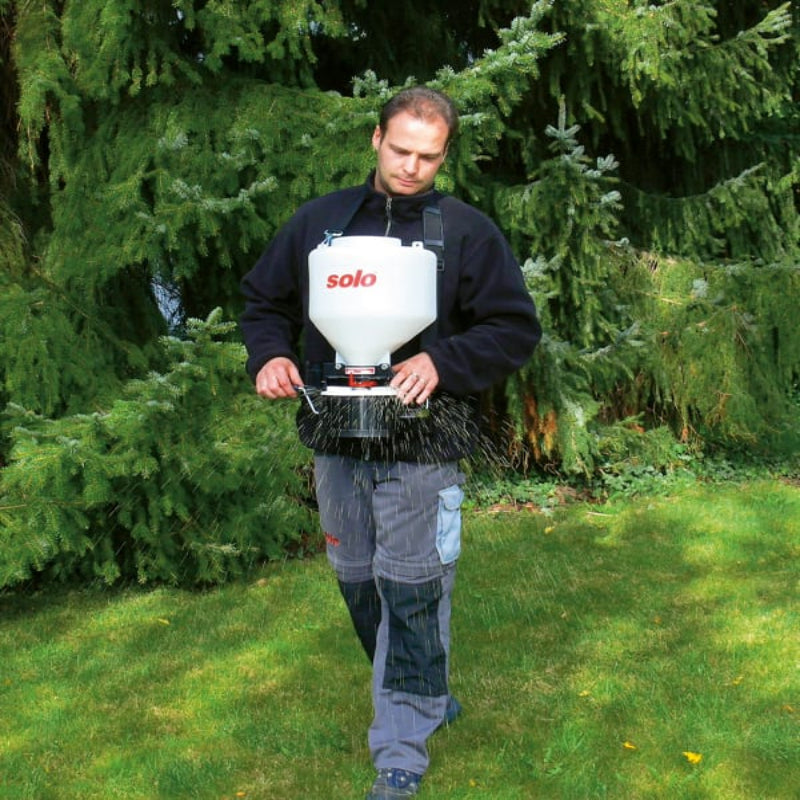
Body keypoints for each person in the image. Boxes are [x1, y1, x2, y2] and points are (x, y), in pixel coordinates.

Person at [240, 86, 541, 799]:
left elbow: (513, 328)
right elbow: (264, 303)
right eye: (400, 149)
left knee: (411, 587)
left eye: (428, 157)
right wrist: (269, 357)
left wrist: (443, 362)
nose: (411, 167)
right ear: (376, 138)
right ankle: (426, 689)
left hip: (427, 436)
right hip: (334, 428)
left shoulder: (466, 233)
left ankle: (400, 749)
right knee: (357, 582)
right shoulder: (319, 225)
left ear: (444, 155)